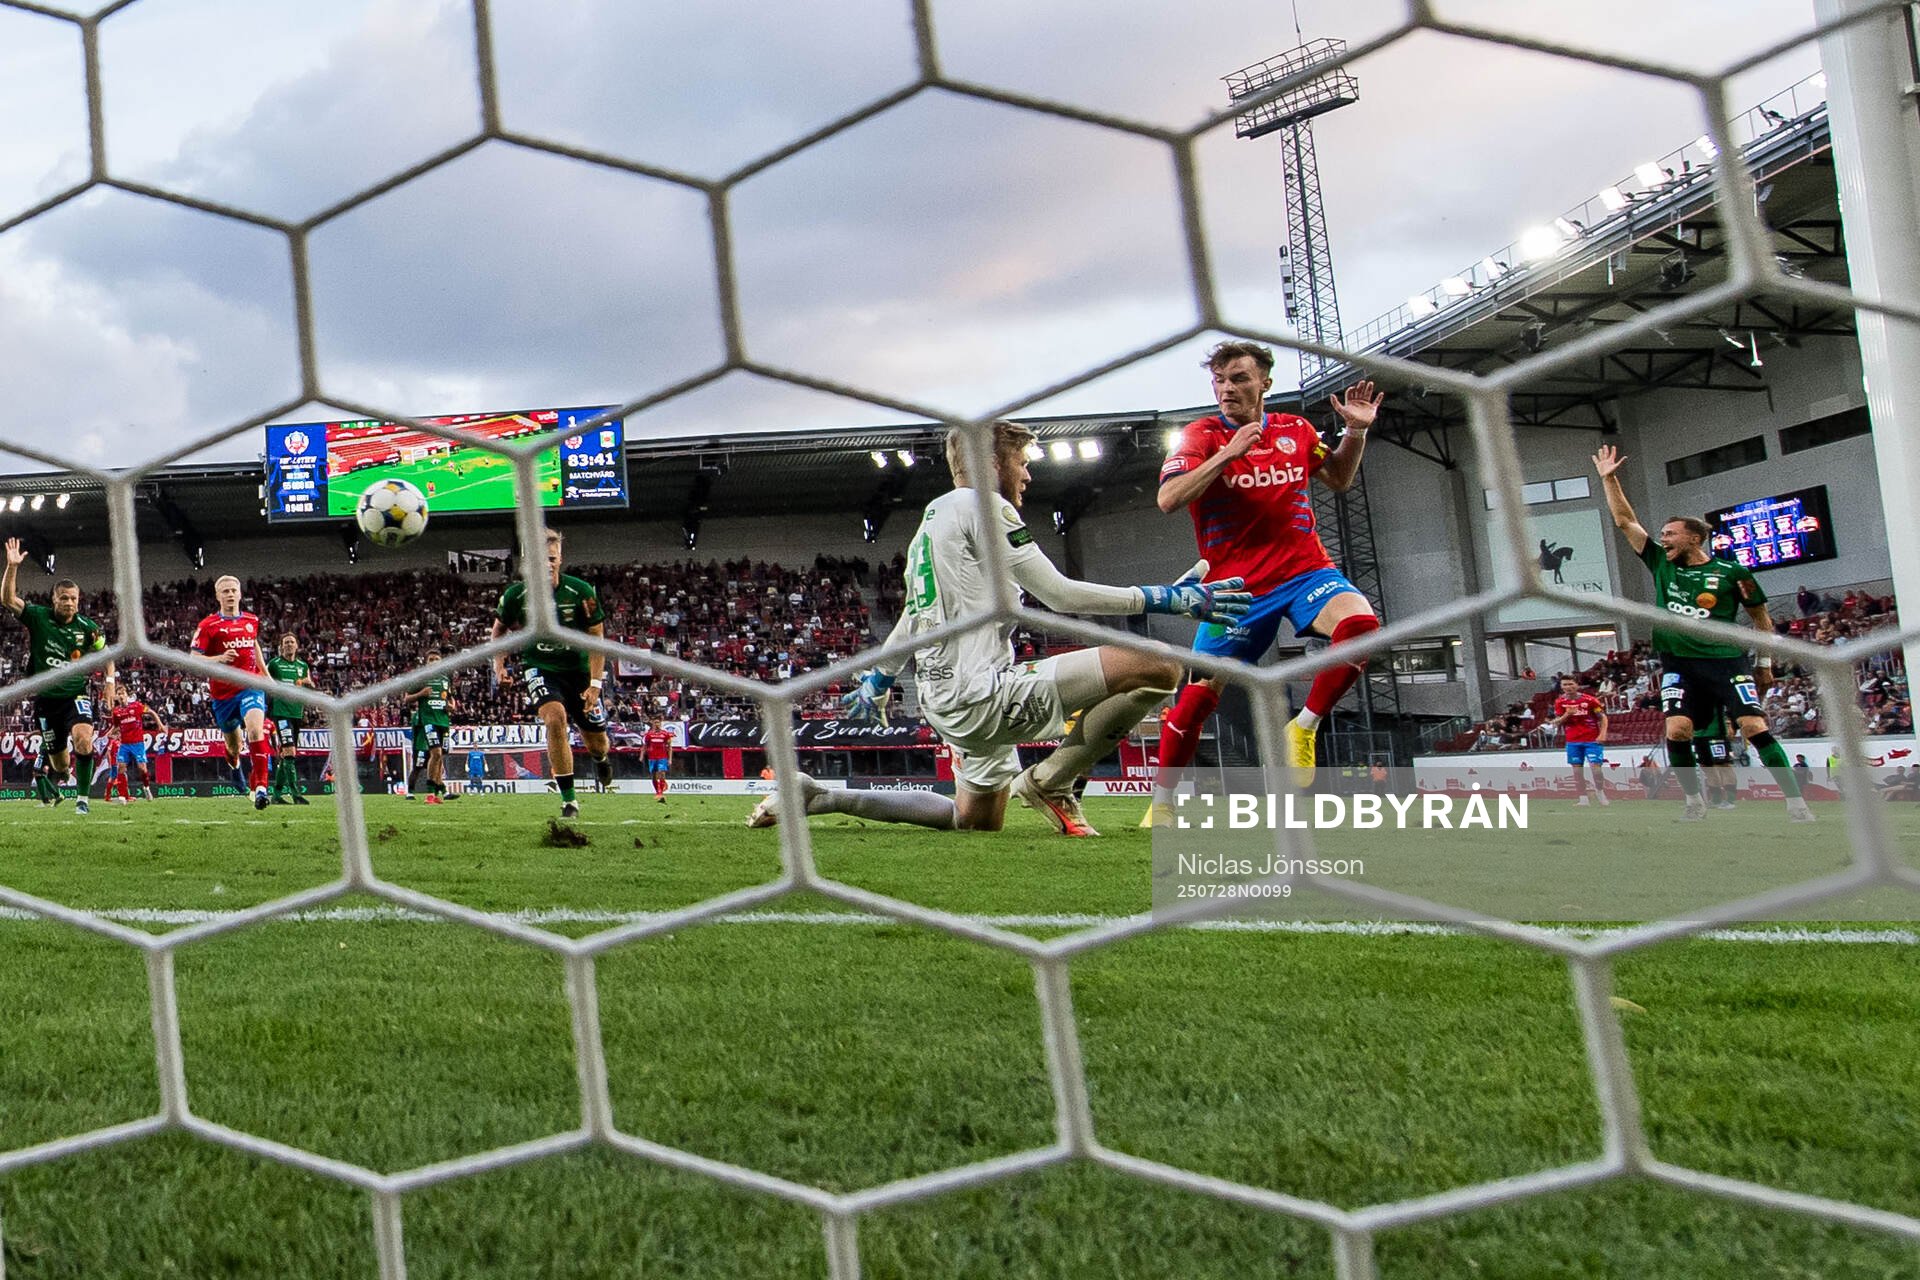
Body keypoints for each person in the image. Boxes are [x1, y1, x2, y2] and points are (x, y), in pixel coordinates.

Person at [750, 420, 1250, 836]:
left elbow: (914, 616)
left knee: (972, 822)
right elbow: (1060, 595)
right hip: (982, 693)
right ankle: (1053, 781)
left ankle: (822, 796)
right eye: (1022, 462)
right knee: (1160, 666)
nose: (1028, 475)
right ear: (992, 464)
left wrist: (880, 677)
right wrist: (1164, 598)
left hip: (946, 697)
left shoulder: (933, 520)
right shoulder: (985, 506)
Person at [1147, 340, 1384, 824]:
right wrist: (1227, 456)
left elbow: (1338, 478)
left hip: (1305, 571)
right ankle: (1163, 803)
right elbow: (1168, 499)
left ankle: (1305, 726)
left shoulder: (1295, 429)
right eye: (1219, 380)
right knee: (1194, 702)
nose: (1227, 388)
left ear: (1264, 383)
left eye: (1238, 378)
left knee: (1361, 624)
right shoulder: (1201, 435)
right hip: (1235, 591)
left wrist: (1355, 433)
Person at [1593, 445, 1812, 822]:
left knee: (1752, 725)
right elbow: (1626, 522)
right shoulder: (1661, 562)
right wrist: (1608, 479)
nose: (1663, 539)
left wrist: (1764, 663)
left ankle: (1796, 803)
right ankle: (1694, 802)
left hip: (1727, 662)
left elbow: (1762, 620)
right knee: (1677, 731)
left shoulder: (1733, 573)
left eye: (1671, 534)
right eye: (1661, 534)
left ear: (1694, 538)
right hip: (1679, 663)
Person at [491, 528, 615, 819]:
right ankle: (569, 800)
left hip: (580, 670)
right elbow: (499, 631)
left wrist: (596, 684)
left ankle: (601, 758)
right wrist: (500, 665)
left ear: (560, 559)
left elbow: (597, 637)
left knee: (596, 741)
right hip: (541, 668)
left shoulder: (581, 592)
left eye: (551, 558)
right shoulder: (515, 596)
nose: (546, 564)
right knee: (555, 720)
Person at [2, 537, 113, 814]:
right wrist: (13, 566)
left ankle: (83, 801)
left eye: (73, 598)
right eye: (63, 597)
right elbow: (7, 600)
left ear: (79, 600)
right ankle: (62, 776)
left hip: (75, 693)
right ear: (54, 599)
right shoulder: (38, 617)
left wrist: (110, 682)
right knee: (61, 764)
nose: (69, 602)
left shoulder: (88, 628)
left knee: (84, 740)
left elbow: (107, 654)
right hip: (47, 700)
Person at [191, 575, 276, 810]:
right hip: (223, 695)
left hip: (250, 685)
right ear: (218, 596)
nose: (230, 594)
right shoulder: (208, 625)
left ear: (240, 594)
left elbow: (253, 645)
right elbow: (193, 658)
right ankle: (235, 766)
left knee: (256, 729)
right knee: (233, 747)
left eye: (233, 590)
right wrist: (219, 658)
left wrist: (267, 677)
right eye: (225, 591)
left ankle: (261, 788)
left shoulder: (251, 620)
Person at [265, 634, 317, 805]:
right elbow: (262, 677)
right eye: (286, 642)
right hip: (281, 713)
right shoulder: (274, 664)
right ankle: (296, 794)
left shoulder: (302, 666)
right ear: (281, 646)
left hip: (296, 713)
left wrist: (308, 684)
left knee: (286, 754)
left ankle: (277, 795)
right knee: (289, 752)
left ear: (297, 646)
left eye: (291, 642)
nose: (288, 645)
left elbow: (311, 685)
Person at [1548, 675, 1609, 806]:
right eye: (1564, 685)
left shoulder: (1590, 700)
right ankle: (1583, 798)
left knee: (1596, 769)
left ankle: (1600, 791)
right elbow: (1556, 722)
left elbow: (1602, 717)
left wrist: (1603, 734)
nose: (1568, 687)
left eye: (1570, 684)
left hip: (1592, 739)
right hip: (1573, 741)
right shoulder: (1560, 702)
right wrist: (1567, 714)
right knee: (1577, 771)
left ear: (1577, 685)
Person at [403, 651, 455, 806]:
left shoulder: (445, 679)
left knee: (440, 757)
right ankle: (429, 793)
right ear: (426, 663)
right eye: (431, 659)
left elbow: (450, 698)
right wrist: (422, 693)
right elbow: (406, 698)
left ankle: (438, 792)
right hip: (428, 721)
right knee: (435, 753)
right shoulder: (422, 678)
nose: (434, 661)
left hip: (444, 721)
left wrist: (452, 706)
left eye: (436, 659)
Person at [106, 685, 166, 803]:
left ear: (127, 695)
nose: (121, 696)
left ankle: (146, 788)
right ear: (117, 697)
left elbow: (151, 712)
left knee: (142, 768)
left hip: (137, 743)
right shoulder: (117, 712)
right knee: (121, 768)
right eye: (119, 694)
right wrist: (110, 733)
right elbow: (117, 726)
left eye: (123, 693)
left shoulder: (137, 706)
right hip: (124, 744)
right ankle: (123, 796)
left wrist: (160, 725)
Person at [643, 715, 674, 804]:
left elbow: (670, 747)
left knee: (662, 773)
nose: (657, 724)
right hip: (652, 758)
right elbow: (646, 746)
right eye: (655, 722)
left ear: (660, 723)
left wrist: (670, 759)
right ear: (652, 723)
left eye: (658, 722)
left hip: (662, 757)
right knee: (653, 776)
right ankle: (657, 792)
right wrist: (643, 755)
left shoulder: (665, 734)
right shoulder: (649, 735)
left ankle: (661, 792)